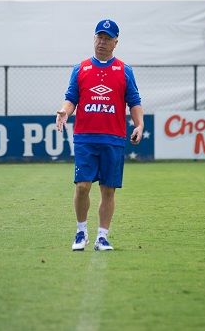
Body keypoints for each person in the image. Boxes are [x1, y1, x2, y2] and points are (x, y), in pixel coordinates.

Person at [56, 19, 143, 252]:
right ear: (94, 39)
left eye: (107, 38)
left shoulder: (125, 70)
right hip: (85, 137)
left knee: (108, 189)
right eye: (99, 37)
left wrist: (139, 124)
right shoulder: (81, 69)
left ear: (116, 42)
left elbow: (134, 101)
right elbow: (71, 97)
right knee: (82, 186)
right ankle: (80, 231)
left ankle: (102, 237)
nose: (102, 42)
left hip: (113, 138)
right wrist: (64, 111)